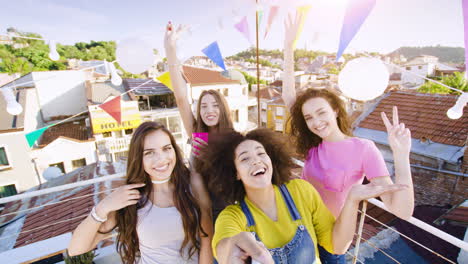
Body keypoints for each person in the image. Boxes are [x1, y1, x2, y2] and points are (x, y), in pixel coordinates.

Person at [282, 12, 414, 263]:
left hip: (333, 238)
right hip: (300, 229)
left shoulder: (363, 148)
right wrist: (289, 49)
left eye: (321, 113)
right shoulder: (313, 145)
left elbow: (402, 210)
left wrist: (401, 154)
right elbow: (289, 94)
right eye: (309, 118)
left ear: (335, 110)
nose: (316, 122)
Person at [198, 129, 408, 264]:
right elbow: (223, 248)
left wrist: (353, 199)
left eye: (261, 153)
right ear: (234, 173)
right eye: (245, 158)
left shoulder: (301, 191)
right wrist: (234, 243)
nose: (256, 161)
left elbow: (336, 246)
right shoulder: (232, 216)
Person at [67, 122, 210, 263]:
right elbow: (76, 249)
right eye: (149, 153)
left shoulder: (192, 186)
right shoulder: (131, 198)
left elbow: (207, 237)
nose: (161, 159)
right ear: (138, 159)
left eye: (166, 148)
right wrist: (103, 207)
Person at [164, 22, 235, 221]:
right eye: (204, 106)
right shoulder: (197, 133)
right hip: (199, 208)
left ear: (223, 109)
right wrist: (170, 51)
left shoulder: (233, 138)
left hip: (229, 210)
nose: (209, 110)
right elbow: (180, 97)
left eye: (214, 105)